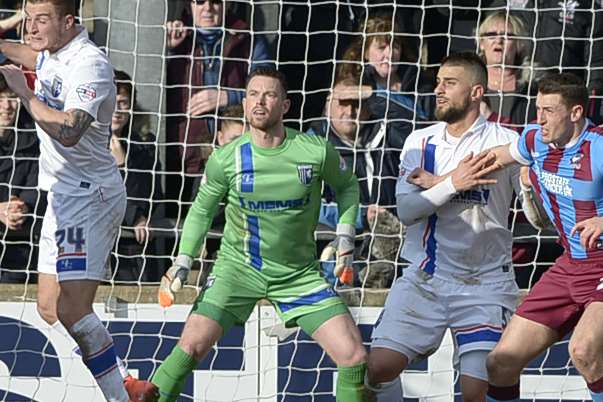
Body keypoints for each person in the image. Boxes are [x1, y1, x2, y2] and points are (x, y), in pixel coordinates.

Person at [148, 68, 367, 402]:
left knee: (354, 356)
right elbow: (201, 211)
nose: (260, 101)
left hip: (298, 275)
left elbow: (348, 186)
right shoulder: (227, 158)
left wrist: (345, 235)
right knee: (190, 346)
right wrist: (182, 260)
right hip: (237, 271)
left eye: (270, 95)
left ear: (286, 106)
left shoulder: (314, 150)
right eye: (253, 94)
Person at [0, 1, 155, 401]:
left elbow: (69, 130)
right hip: (63, 195)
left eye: (41, 20)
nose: (31, 29)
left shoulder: (90, 65)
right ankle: (124, 380)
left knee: (72, 308)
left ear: (69, 22)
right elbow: (24, 53)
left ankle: (122, 395)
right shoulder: (53, 52)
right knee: (49, 307)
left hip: (90, 197)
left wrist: (24, 92)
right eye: (28, 19)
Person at [366, 52, 523, 402]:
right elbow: (406, 210)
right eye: (438, 82)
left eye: (449, 83)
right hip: (426, 279)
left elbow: (532, 178)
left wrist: (529, 187)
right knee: (376, 368)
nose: (439, 90)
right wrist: (455, 182)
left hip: (484, 284)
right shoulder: (419, 142)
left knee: (475, 392)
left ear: (476, 92)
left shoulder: (506, 143)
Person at [481, 73, 603, 402]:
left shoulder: (600, 146)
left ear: (576, 112)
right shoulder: (536, 140)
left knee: (584, 350)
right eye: (537, 108)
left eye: (549, 110)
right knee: (500, 362)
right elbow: (493, 158)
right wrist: (442, 181)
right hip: (571, 264)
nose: (539, 118)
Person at [164, 0, 272, 213]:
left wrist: (226, 96)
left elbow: (269, 90)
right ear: (188, 6)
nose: (208, 8)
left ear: (228, 4)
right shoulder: (174, 37)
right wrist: (168, 50)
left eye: (215, 2)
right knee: (182, 228)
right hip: (184, 156)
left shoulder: (248, 40)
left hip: (237, 154)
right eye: (199, 1)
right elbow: (148, 86)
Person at [308, 77, 404, 287]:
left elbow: (418, 120)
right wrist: (361, 215)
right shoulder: (312, 145)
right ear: (327, 106)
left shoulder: (386, 134)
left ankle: (378, 269)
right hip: (336, 236)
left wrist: (375, 94)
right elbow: (308, 204)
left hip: (393, 231)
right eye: (343, 102)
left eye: (357, 103)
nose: (350, 111)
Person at [110, 69, 163, 283]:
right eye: (111, 101)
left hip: (135, 244)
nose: (116, 109)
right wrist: (133, 216)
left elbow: (149, 192)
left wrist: (123, 163)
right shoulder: (87, 141)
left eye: (123, 102)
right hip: (99, 243)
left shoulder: (144, 143)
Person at [338, 14, 433, 128]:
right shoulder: (353, 84)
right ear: (365, 52)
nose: (390, 54)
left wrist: (375, 93)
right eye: (382, 48)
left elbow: (425, 120)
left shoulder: (420, 81)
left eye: (395, 47)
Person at [0, 75, 44, 283]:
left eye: (11, 98)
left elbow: (38, 185)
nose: (7, 106)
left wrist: (23, 206)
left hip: (21, 247)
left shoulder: (33, 140)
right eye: (0, 99)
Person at [477, 11, 536, 132]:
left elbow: (533, 137)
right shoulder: (468, 85)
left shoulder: (532, 90)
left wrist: (492, 118)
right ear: (482, 43)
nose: (498, 40)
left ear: (519, 44)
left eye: (507, 36)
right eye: (491, 35)